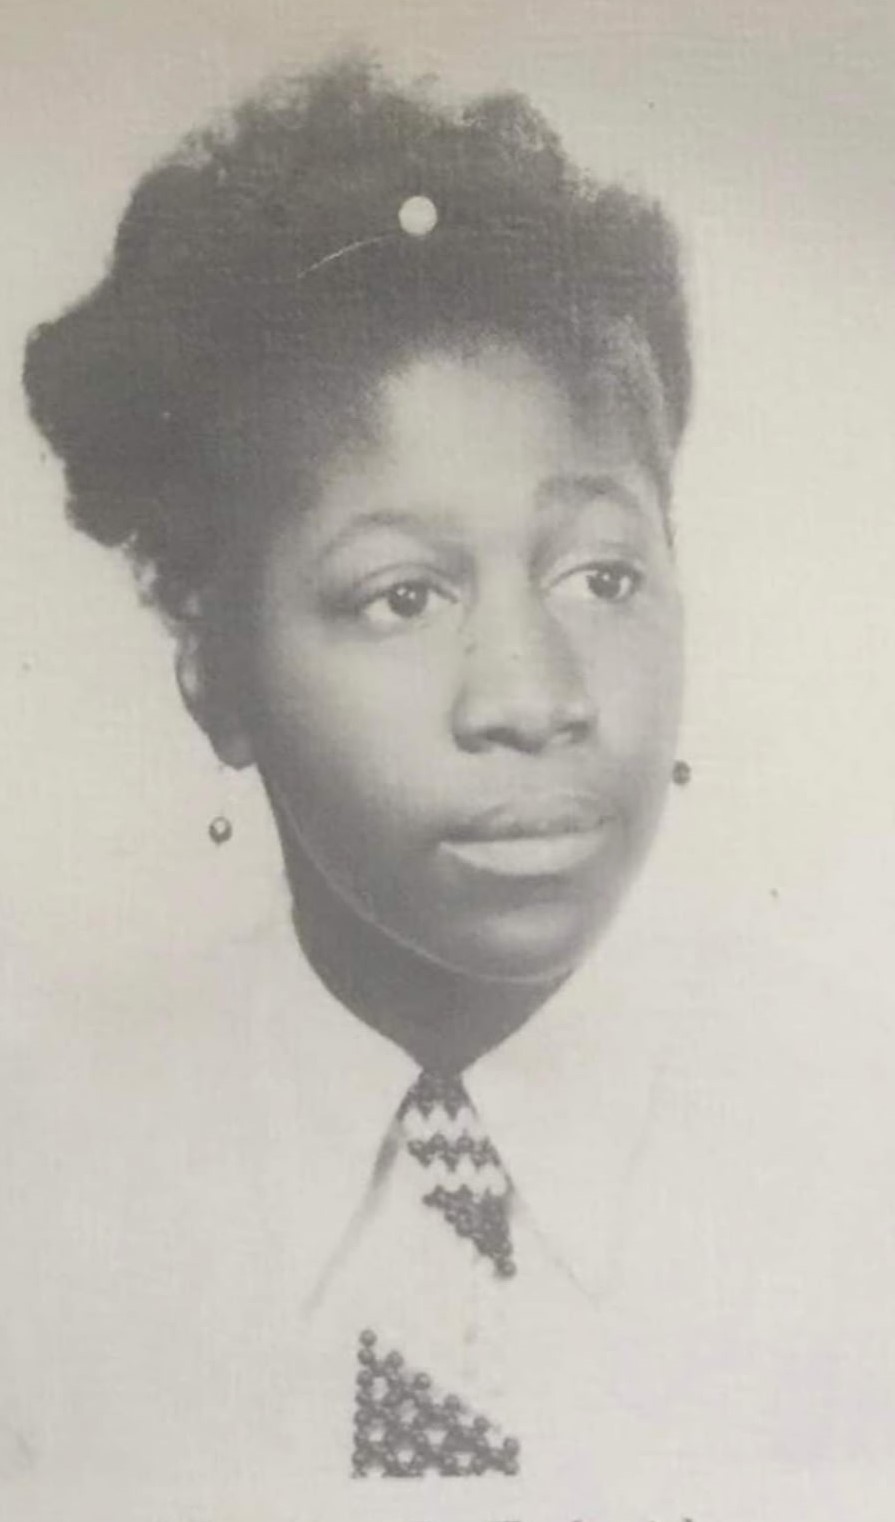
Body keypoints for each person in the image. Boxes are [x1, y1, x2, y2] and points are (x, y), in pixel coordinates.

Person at [12, 54, 895, 1522]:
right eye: (403, 596)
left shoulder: (864, 1156)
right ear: (215, 676)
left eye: (602, 575)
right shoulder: (48, 1200)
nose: (533, 697)